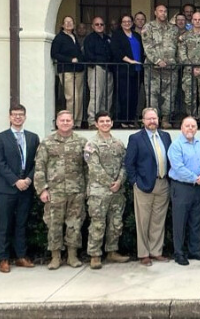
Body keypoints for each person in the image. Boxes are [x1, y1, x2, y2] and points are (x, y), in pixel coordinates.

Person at [35, 110, 87, 269]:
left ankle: (72, 256)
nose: (65, 123)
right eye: (62, 120)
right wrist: (42, 189)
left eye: (68, 120)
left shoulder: (82, 142)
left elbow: (87, 167)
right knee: (54, 225)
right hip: (54, 191)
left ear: (72, 122)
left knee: (75, 224)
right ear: (56, 123)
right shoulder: (47, 143)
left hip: (76, 191)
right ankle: (55, 257)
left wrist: (87, 189)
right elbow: (39, 167)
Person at [0, 104, 39, 272]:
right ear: (9, 117)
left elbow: (37, 162)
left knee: (21, 224)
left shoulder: (33, 138)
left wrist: (28, 179)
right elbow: (0, 163)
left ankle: (21, 256)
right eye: (15, 115)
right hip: (7, 188)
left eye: (21, 114)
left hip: (26, 188)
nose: (18, 117)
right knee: (5, 224)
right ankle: (3, 259)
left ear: (25, 117)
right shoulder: (0, 138)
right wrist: (15, 180)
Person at [123, 107, 171, 266]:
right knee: (143, 221)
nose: (152, 121)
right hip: (144, 185)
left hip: (163, 183)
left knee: (158, 220)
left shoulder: (165, 136)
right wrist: (135, 181)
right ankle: (143, 253)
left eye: (154, 118)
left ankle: (156, 251)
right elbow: (129, 163)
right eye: (149, 118)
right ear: (143, 121)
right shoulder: (136, 138)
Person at [83, 112, 130, 269]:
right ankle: (95, 255)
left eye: (107, 121)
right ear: (96, 124)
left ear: (111, 123)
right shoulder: (92, 144)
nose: (105, 123)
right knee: (98, 223)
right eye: (101, 121)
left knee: (116, 223)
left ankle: (112, 251)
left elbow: (125, 164)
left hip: (117, 191)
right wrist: (111, 183)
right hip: (99, 192)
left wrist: (119, 181)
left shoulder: (118, 143)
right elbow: (94, 168)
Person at [166, 115, 200, 266]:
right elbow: (178, 167)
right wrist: (194, 178)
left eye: (193, 126)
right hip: (182, 187)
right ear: (181, 128)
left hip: (198, 188)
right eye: (187, 126)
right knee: (180, 222)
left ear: (197, 129)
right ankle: (179, 253)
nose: (190, 128)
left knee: (196, 220)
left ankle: (195, 250)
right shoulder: (176, 145)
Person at [142, 4, 180, 128]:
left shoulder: (174, 29)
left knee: (169, 95)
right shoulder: (148, 27)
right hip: (153, 69)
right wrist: (157, 60)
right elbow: (147, 46)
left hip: (170, 68)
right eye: (160, 11)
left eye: (165, 11)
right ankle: (152, 120)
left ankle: (166, 119)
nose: (163, 13)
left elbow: (178, 47)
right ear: (155, 13)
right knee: (152, 95)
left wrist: (175, 62)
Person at [111, 14, 145, 128]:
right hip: (124, 70)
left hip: (137, 70)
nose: (127, 23)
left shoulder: (136, 35)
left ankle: (131, 120)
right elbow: (116, 51)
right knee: (124, 95)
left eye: (129, 21)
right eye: (124, 21)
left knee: (134, 96)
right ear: (121, 23)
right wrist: (129, 61)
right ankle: (124, 120)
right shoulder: (117, 35)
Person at [51, 16, 85, 125]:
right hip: (66, 70)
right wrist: (70, 60)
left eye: (71, 22)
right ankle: (70, 121)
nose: (69, 24)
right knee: (72, 97)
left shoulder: (74, 36)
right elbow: (54, 54)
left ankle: (78, 122)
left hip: (78, 70)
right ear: (62, 25)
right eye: (66, 22)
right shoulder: (59, 38)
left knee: (79, 97)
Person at [83, 16, 114, 128]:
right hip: (97, 68)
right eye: (97, 24)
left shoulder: (107, 38)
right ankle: (92, 121)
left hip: (109, 69)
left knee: (107, 96)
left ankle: (104, 120)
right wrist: (99, 62)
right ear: (92, 26)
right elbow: (89, 55)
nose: (99, 26)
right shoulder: (89, 39)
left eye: (101, 24)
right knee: (96, 95)